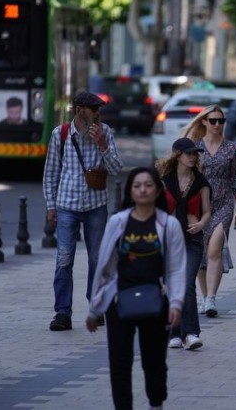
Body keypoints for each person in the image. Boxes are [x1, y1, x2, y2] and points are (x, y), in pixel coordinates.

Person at [86, 167, 186, 410]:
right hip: (118, 301)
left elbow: (176, 268)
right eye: (137, 185)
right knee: (119, 362)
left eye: (148, 185)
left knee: (154, 362)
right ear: (130, 191)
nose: (143, 190)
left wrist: (175, 303)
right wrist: (94, 308)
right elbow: (103, 268)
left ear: (157, 190)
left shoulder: (168, 225)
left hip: (156, 301)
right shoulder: (118, 222)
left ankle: (155, 403)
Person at [43, 91, 123, 331]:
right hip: (67, 205)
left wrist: (102, 145)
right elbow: (51, 172)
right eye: (93, 110)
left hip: (95, 204)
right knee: (64, 259)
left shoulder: (105, 132)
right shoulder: (61, 134)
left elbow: (117, 168)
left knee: (97, 259)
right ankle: (62, 313)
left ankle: (96, 307)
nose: (98, 114)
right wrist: (50, 205)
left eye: (99, 110)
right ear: (79, 111)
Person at [182, 105, 236, 318]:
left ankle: (211, 298)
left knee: (214, 250)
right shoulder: (195, 147)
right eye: (213, 120)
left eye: (221, 121)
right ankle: (204, 296)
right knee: (201, 252)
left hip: (223, 203)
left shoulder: (232, 149)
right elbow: (184, 174)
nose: (217, 124)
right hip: (198, 205)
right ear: (204, 122)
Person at [156, 138, 212, 350]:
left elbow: (207, 212)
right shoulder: (163, 181)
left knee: (187, 283)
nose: (193, 156)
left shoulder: (201, 182)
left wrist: (201, 224)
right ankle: (174, 333)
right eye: (188, 153)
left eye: (195, 153)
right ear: (177, 154)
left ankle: (191, 334)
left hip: (192, 239)